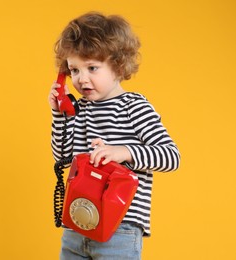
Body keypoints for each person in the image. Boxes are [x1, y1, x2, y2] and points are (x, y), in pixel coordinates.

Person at [48, 12, 181, 259]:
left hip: (119, 230)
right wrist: (60, 114)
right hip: (76, 227)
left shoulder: (134, 106)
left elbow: (171, 156)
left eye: (92, 68)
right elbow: (63, 156)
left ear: (118, 66)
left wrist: (124, 152)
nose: (81, 79)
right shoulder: (80, 109)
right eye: (74, 70)